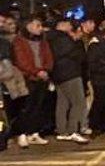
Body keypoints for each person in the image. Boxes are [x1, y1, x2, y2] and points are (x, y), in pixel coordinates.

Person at [9, 15, 54, 147]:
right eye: (37, 25)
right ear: (28, 26)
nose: (40, 28)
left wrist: (46, 70)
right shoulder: (19, 41)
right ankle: (22, 133)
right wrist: (36, 71)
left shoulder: (43, 41)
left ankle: (33, 132)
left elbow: (49, 57)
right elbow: (21, 61)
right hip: (27, 78)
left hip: (42, 77)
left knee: (38, 106)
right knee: (26, 107)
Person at [48, 21, 89, 142]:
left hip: (59, 74)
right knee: (78, 102)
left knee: (63, 103)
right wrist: (75, 41)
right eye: (68, 24)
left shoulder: (51, 38)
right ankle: (73, 130)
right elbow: (76, 55)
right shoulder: (63, 39)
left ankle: (62, 131)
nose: (70, 26)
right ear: (60, 25)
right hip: (70, 73)